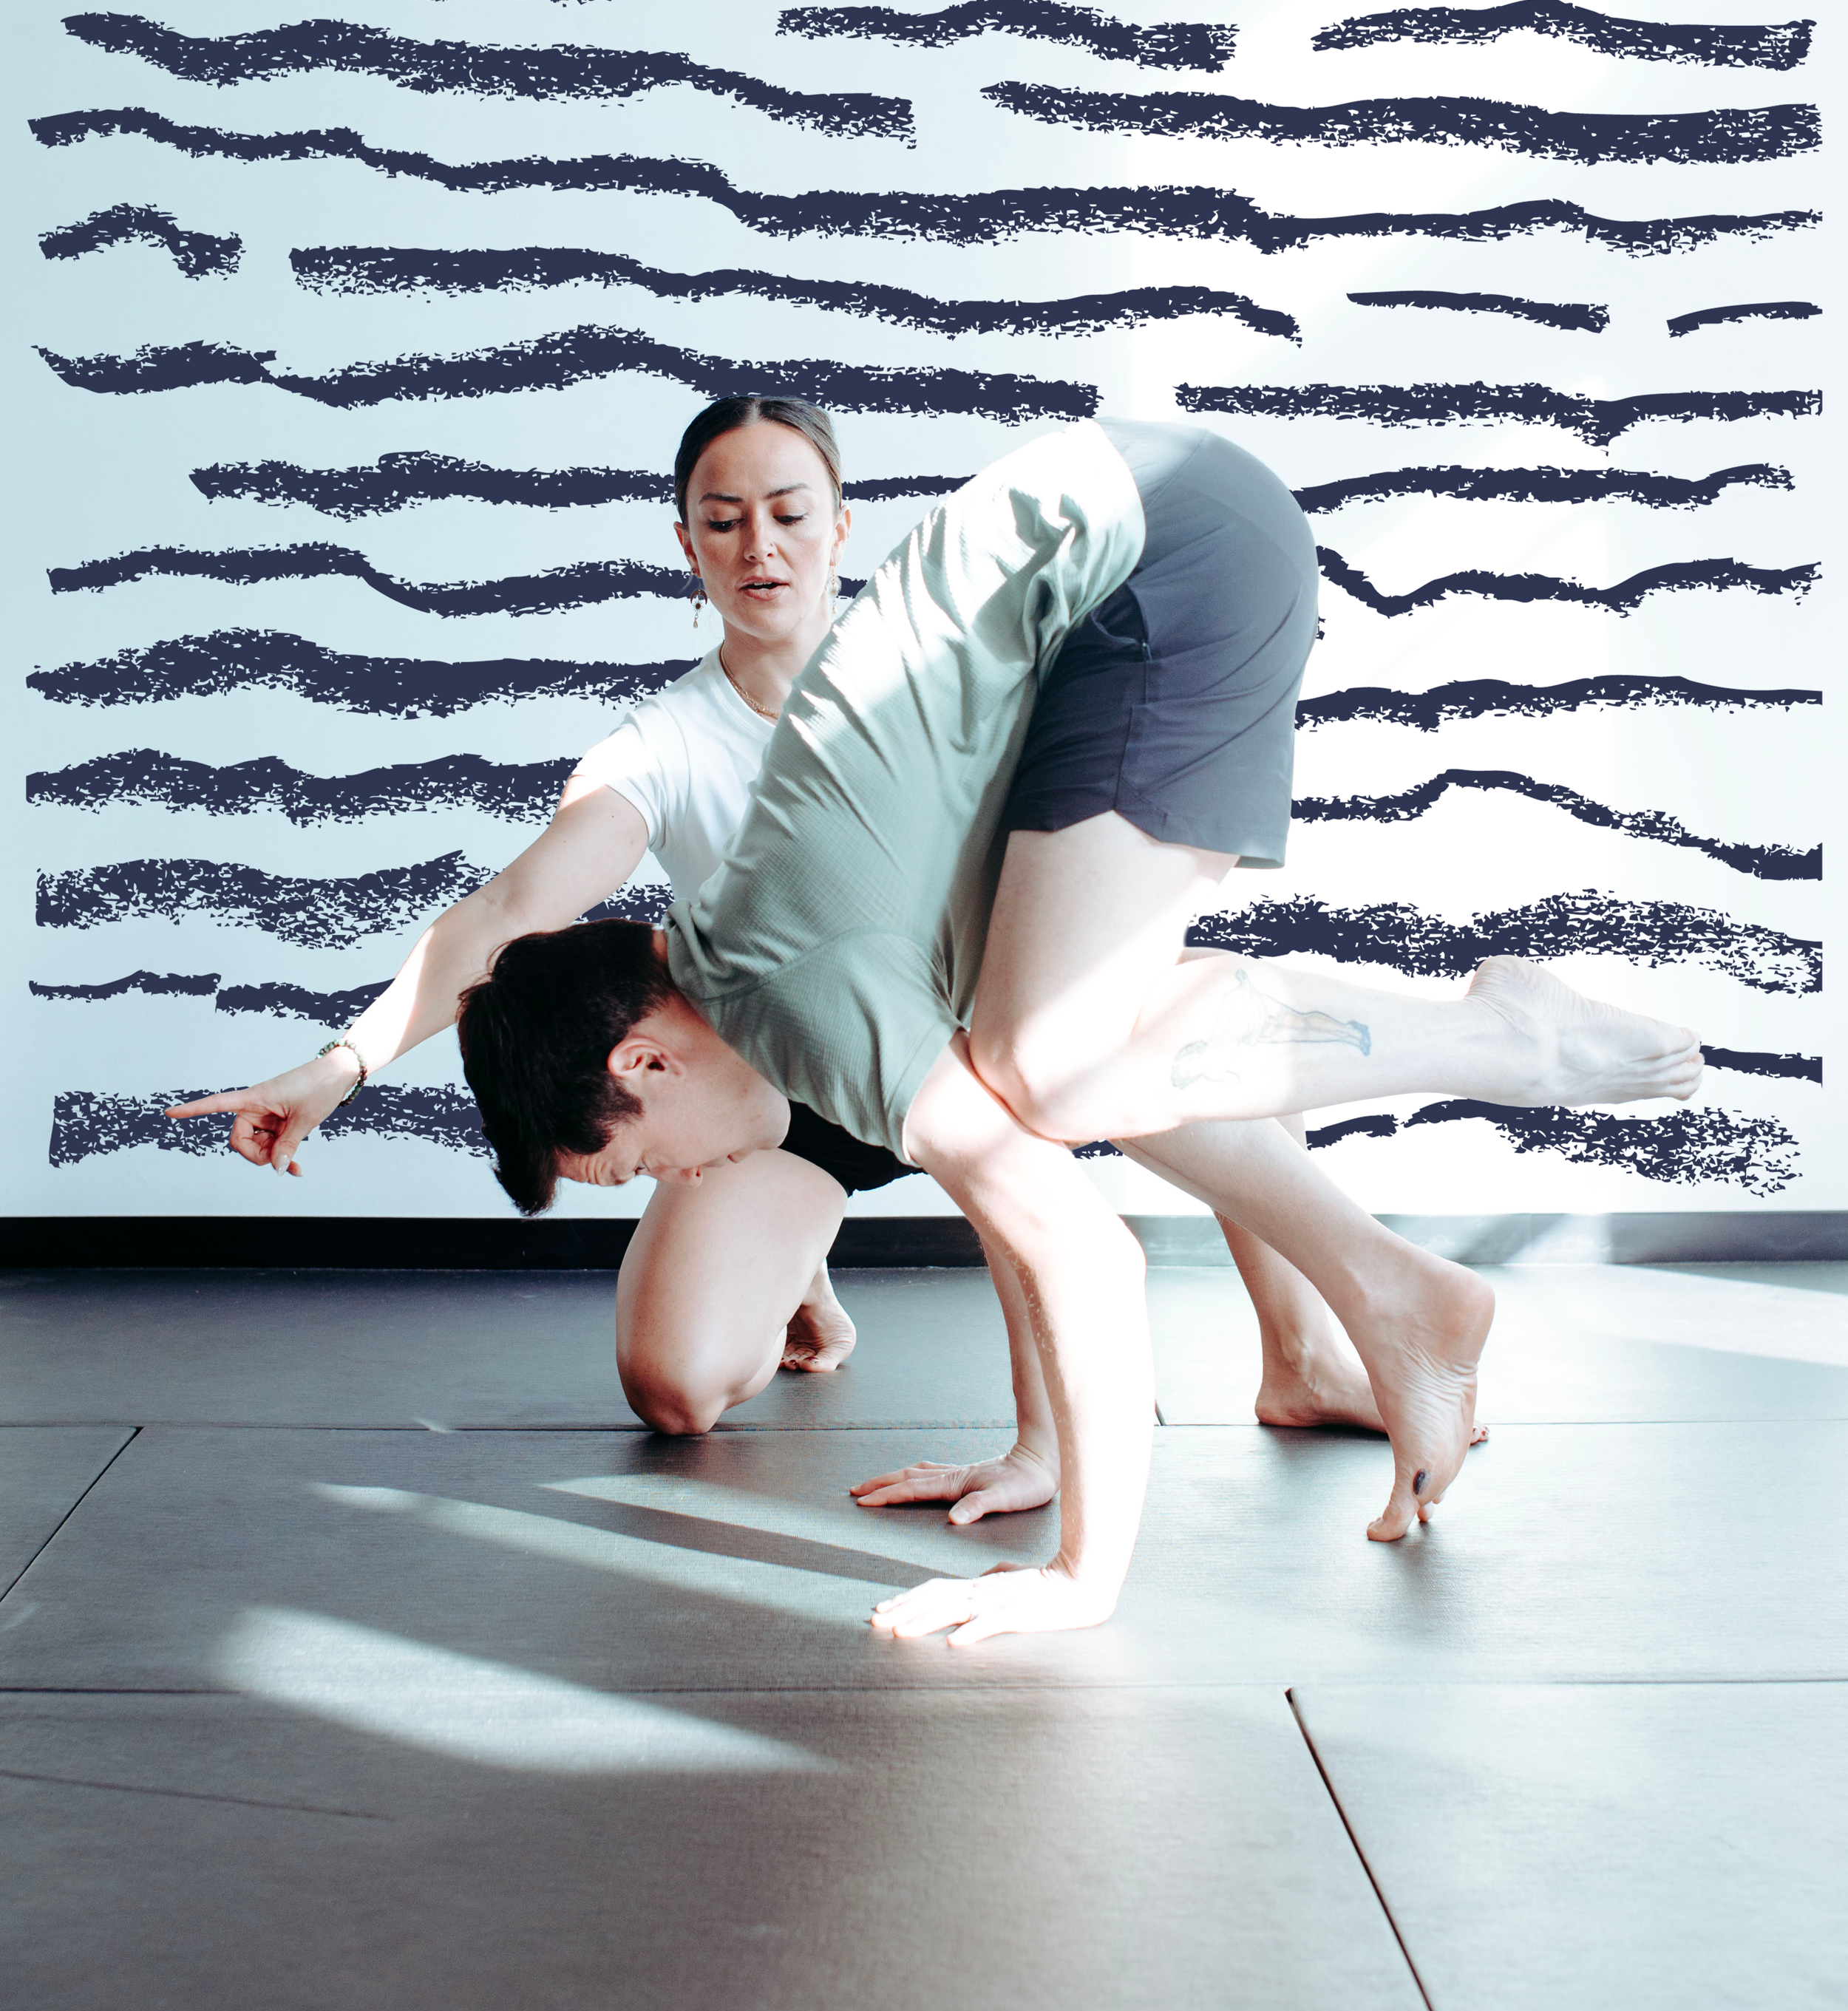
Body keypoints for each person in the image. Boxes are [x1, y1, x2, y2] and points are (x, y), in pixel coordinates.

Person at [457, 417, 1703, 1644]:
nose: (675, 1180)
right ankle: (1394, 1290)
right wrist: (1042, 1444)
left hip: (1158, 559)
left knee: (1051, 1068)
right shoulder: (738, 947)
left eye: (634, 1162)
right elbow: (1002, 1169)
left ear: (644, 1060)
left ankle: (1508, 1041)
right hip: (1150, 543)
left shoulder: (799, 994)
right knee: (1045, 1058)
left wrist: (1081, 1575)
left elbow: (1084, 1250)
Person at [168, 394, 1397, 1473]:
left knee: (1139, 1035)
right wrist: (343, 1065)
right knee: (676, 1391)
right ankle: (796, 1273)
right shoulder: (658, 749)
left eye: (791, 511)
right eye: (723, 517)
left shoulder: (949, 662)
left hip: (972, 1037)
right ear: (688, 543)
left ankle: (1303, 1354)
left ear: (840, 525)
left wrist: (1041, 1451)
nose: (761, 544)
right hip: (778, 1083)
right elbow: (505, 917)